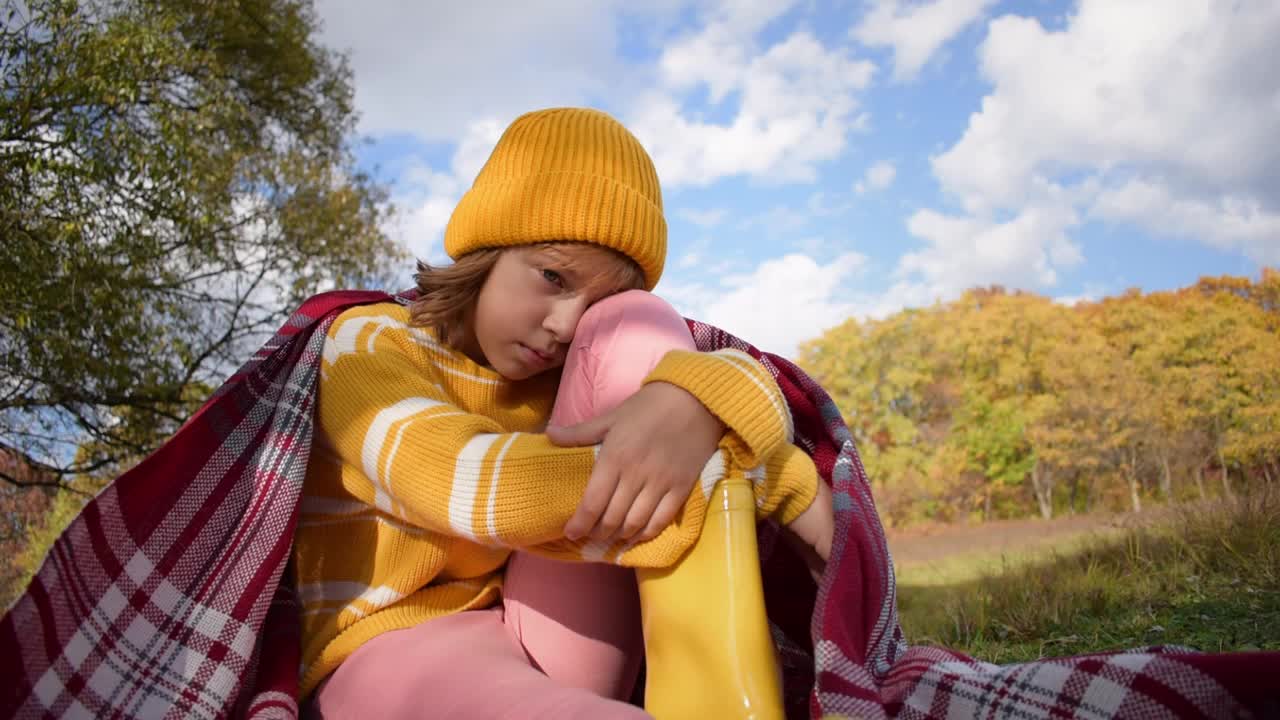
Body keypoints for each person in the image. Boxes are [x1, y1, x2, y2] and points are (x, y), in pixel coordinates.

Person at [295, 107, 834, 719]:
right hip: (384, 649)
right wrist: (766, 477)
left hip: (536, 627)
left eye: (592, 300)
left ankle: (722, 696)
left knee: (640, 321)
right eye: (552, 275)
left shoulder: (562, 373)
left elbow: (741, 372)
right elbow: (466, 484)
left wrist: (690, 405)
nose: (565, 325)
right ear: (488, 249)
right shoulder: (369, 341)